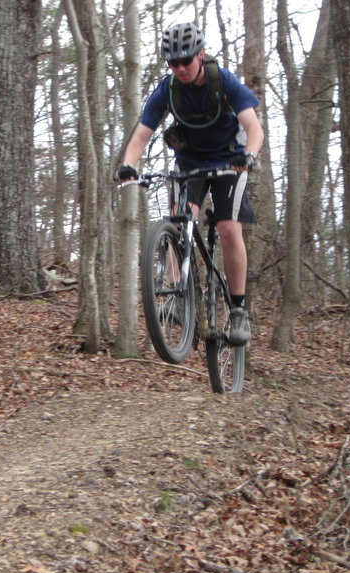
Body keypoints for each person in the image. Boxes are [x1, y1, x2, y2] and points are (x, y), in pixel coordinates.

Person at [117, 22, 263, 346]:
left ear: (200, 55)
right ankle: (178, 296)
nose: (180, 68)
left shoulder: (222, 81)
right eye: (173, 63)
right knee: (178, 222)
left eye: (186, 60)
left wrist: (249, 156)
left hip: (230, 161)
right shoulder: (167, 89)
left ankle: (238, 309)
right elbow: (143, 133)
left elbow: (254, 127)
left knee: (228, 228)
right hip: (191, 162)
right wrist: (128, 164)